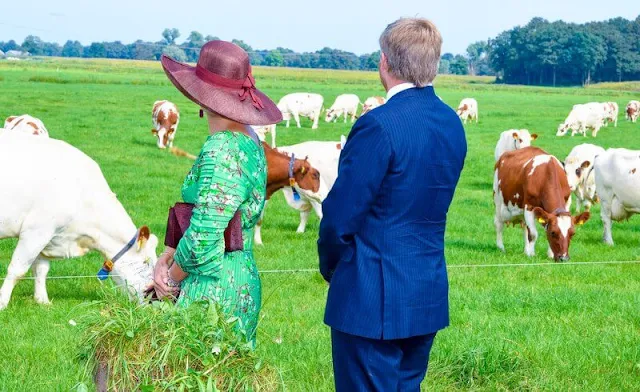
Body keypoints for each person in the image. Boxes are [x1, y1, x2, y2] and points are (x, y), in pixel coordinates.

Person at [318, 18, 467, 391]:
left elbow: (339, 218)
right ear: (434, 63)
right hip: (425, 290)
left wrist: (334, 268)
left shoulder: (378, 125)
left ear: (384, 62)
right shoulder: (452, 123)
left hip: (370, 296)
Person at [152, 40, 282, 345]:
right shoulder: (248, 139)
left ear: (202, 96)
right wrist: (168, 254)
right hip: (235, 275)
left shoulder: (223, 147)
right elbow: (212, 215)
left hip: (213, 286)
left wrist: (168, 282)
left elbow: (205, 236)